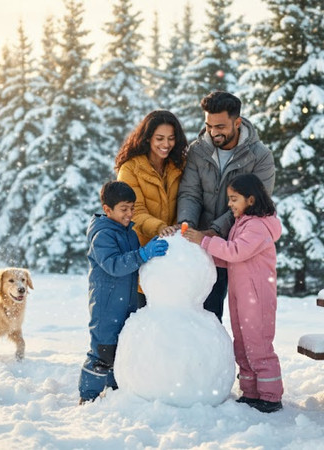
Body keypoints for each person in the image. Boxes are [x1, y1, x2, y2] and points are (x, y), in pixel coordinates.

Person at [169, 91, 275, 322]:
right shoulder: (198, 151)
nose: (213, 132)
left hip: (236, 245)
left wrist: (216, 231)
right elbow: (190, 192)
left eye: (220, 126)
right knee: (196, 308)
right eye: (209, 126)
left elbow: (253, 205)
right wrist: (187, 225)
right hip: (200, 242)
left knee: (237, 314)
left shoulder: (260, 157)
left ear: (237, 122)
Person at [183, 173, 283, 413]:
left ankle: (270, 396)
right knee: (243, 343)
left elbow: (236, 251)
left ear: (251, 199)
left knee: (258, 344)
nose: (229, 204)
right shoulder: (242, 223)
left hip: (257, 296)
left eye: (234, 199)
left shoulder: (258, 226)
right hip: (241, 296)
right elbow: (230, 258)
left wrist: (204, 241)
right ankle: (251, 392)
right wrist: (204, 255)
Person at [78, 181, 169, 404]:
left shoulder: (128, 232)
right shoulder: (103, 235)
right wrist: (142, 254)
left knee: (121, 347)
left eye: (132, 208)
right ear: (107, 209)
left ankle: (115, 388)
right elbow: (114, 265)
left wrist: (149, 253)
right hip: (106, 303)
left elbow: (134, 261)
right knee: (103, 349)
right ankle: (88, 396)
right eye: (123, 209)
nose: (129, 214)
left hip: (127, 300)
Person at [115, 110, 188, 307]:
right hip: (141, 252)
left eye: (171, 138)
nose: (166, 144)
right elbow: (133, 211)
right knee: (144, 312)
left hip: (175, 254)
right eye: (160, 138)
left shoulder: (179, 166)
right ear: (148, 138)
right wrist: (160, 228)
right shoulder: (130, 169)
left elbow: (188, 198)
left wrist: (180, 227)